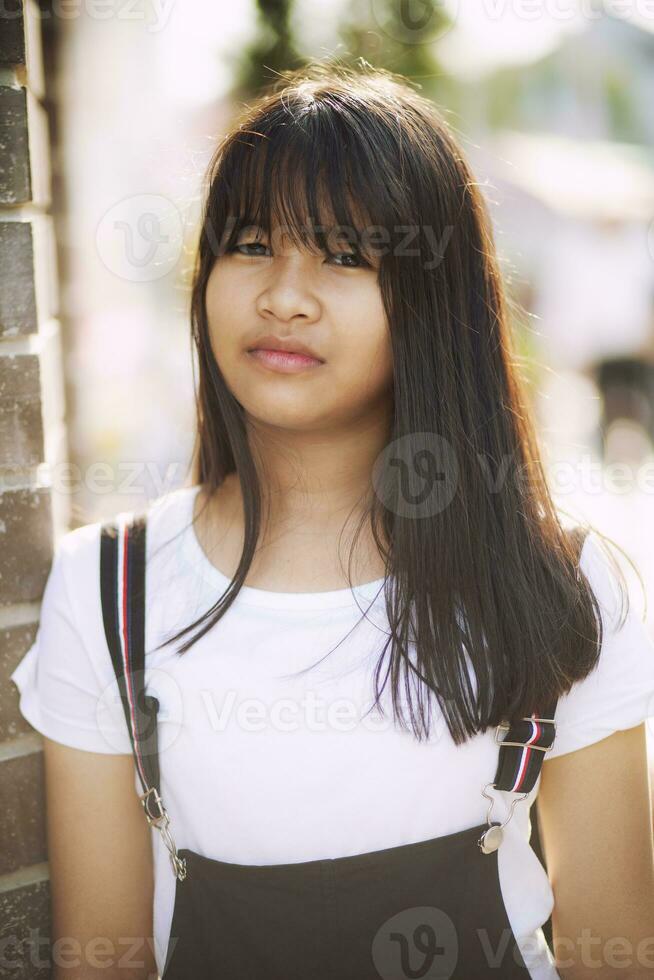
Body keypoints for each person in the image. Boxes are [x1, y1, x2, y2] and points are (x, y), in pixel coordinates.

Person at [10, 60, 654, 980]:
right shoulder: (109, 591)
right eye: (249, 243)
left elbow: (616, 958)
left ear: (434, 302)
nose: (284, 294)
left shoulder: (564, 584)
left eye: (346, 256)